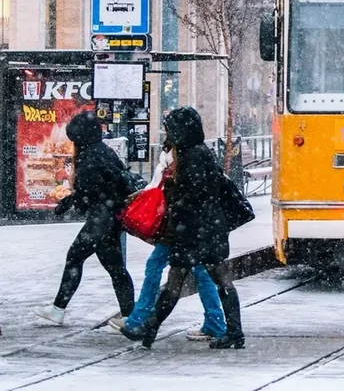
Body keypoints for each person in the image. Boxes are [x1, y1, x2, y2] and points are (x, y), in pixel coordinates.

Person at [120, 107, 244, 349]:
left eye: (170, 128)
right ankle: (151, 328)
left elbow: (193, 198)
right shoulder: (197, 153)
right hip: (204, 230)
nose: (168, 132)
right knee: (210, 281)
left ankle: (149, 328)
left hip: (196, 232)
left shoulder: (193, 156)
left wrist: (175, 210)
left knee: (188, 282)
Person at [116, 138, 227, 342]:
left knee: (168, 272)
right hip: (185, 229)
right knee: (200, 274)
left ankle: (140, 321)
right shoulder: (189, 154)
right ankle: (216, 323)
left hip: (179, 230)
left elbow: (177, 195)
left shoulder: (183, 158)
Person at [33, 111, 135, 328]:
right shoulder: (104, 152)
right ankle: (129, 315)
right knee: (115, 269)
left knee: (77, 258)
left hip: (101, 220)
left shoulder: (89, 156)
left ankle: (58, 310)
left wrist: (71, 201)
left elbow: (89, 190)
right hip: (110, 217)